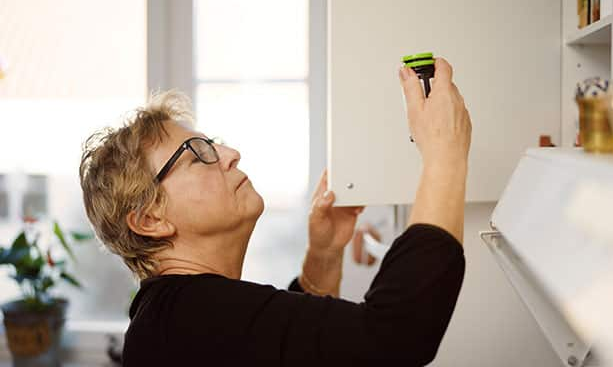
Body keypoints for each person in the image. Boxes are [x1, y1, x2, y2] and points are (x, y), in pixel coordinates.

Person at [79, 57, 472, 366]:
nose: (231, 155)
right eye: (198, 154)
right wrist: (445, 153)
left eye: (215, 144)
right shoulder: (187, 317)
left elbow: (283, 346)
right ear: (150, 219)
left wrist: (323, 254)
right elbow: (395, 335)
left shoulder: (179, 315)